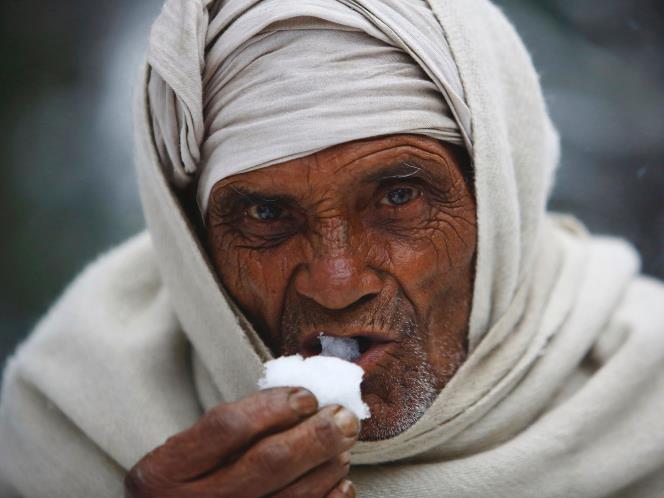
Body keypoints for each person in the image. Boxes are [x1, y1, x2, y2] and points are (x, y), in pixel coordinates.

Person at [1, 0, 663, 496]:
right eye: (266, 214)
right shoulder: (75, 418)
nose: (337, 282)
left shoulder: (645, 396)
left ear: (498, 197)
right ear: (191, 245)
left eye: (399, 197)